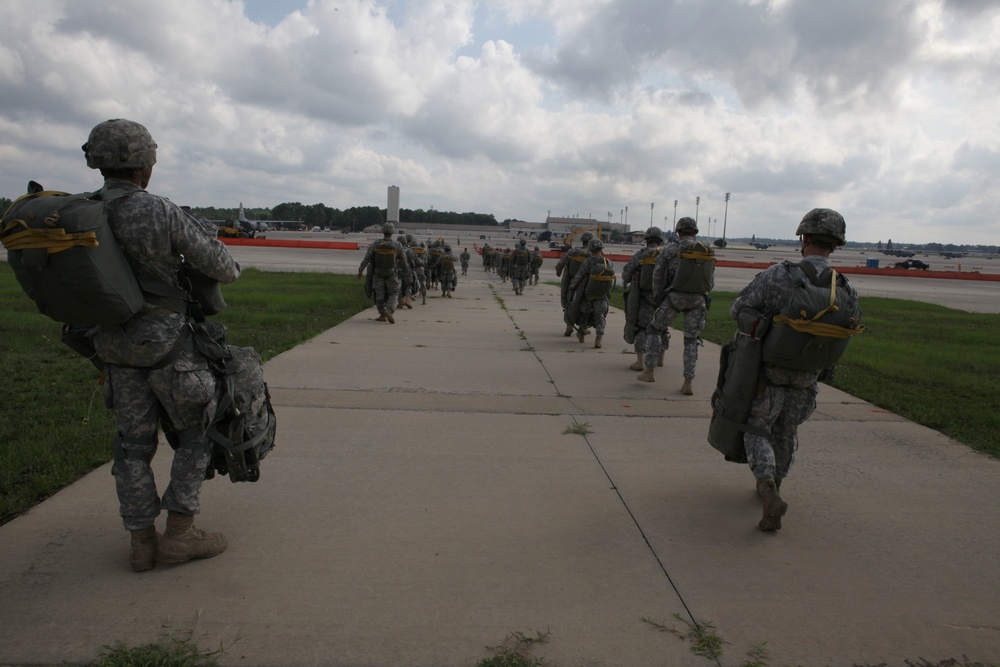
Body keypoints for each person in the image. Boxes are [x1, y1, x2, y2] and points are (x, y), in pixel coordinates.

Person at [81, 119, 241, 571]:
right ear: (145, 164)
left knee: (132, 446)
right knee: (195, 433)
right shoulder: (157, 210)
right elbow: (225, 269)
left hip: (114, 348)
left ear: (96, 161)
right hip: (170, 348)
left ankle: (141, 542)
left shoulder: (84, 212)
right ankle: (180, 535)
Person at [729, 208, 860, 531]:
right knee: (786, 433)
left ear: (804, 238)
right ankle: (778, 485)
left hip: (770, 371)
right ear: (835, 245)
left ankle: (767, 486)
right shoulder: (844, 288)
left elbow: (738, 308)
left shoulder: (779, 274)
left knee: (758, 429)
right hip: (807, 377)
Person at [638, 217, 714, 394]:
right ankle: (688, 382)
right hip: (698, 299)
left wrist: (658, 298)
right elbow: (710, 280)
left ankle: (649, 370)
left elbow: (657, 276)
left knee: (655, 329)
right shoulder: (706, 250)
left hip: (675, 297)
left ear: (678, 231)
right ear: (695, 232)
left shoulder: (670, 249)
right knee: (691, 340)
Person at [621, 227, 669, 371]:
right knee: (662, 328)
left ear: (646, 240)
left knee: (642, 328)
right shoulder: (667, 255)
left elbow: (626, 275)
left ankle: (640, 361)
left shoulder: (641, 255)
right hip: (663, 299)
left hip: (644, 299)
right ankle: (660, 358)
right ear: (660, 240)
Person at [568, 238, 615, 348]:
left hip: (587, 294)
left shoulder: (588, 262)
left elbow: (579, 276)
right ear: (600, 249)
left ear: (590, 249)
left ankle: (582, 333)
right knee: (600, 316)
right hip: (602, 295)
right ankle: (598, 338)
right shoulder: (608, 262)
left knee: (584, 314)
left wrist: (572, 286)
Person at [357, 222, 409, 322]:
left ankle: (382, 313)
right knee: (394, 293)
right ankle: (389, 311)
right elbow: (404, 260)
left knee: (379, 294)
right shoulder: (397, 245)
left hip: (378, 273)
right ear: (392, 232)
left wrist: (360, 270)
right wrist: (406, 272)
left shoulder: (376, 244)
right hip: (391, 273)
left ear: (383, 231)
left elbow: (367, 258)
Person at [555, 232, 593, 336]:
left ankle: (569, 326)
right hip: (587, 284)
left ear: (582, 240)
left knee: (569, 303)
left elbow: (561, 263)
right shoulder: (593, 254)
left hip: (571, 283)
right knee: (587, 304)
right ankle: (583, 327)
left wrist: (558, 271)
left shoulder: (574, 251)